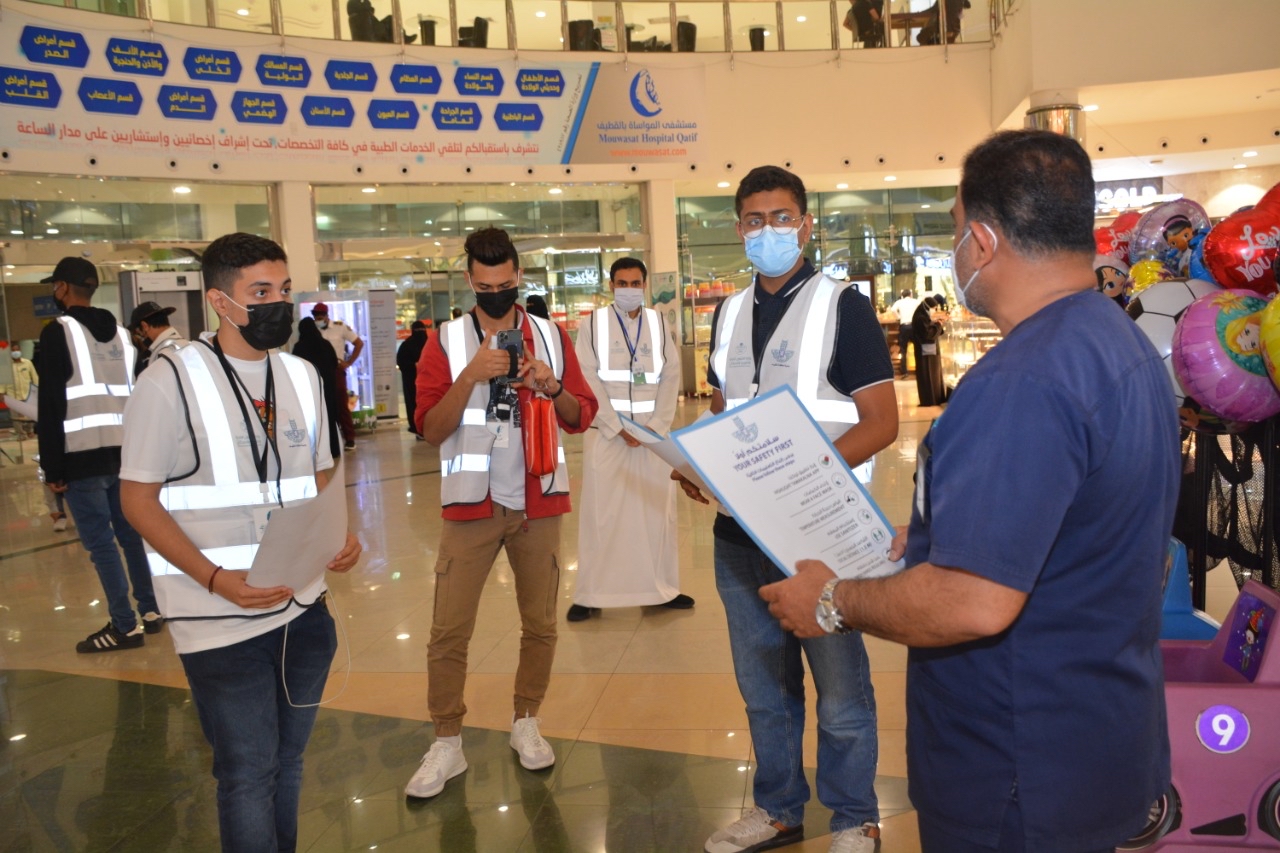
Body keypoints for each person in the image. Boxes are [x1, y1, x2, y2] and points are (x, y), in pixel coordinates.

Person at [759, 130, 1179, 853]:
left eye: (955, 230)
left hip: (1015, 769)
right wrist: (932, 539)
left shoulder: (1021, 381)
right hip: (1097, 736)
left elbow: (974, 601)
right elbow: (1077, 527)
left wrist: (831, 600)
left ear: (982, 242)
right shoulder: (1118, 342)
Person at [119, 231, 362, 853]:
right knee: (248, 775)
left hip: (302, 609)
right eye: (260, 293)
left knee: (289, 763)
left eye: (284, 290)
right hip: (219, 621)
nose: (277, 304)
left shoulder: (301, 375)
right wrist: (214, 578)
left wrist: (340, 535)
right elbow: (137, 500)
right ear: (220, 301)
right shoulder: (169, 381)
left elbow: (321, 474)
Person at [690, 166, 898, 853]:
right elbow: (724, 406)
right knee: (763, 688)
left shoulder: (843, 307)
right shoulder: (727, 313)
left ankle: (854, 817)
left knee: (840, 690)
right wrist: (701, 462)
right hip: (738, 533)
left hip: (815, 534)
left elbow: (882, 421)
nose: (769, 231)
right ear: (739, 229)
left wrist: (799, 474)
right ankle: (778, 807)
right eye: (755, 220)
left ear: (806, 225)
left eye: (782, 217)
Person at [406, 227, 597, 800]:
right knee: (449, 629)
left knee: (540, 623)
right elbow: (429, 428)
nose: (495, 294)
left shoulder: (550, 335)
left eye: (505, 284)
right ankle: (447, 739)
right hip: (471, 503)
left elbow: (580, 416)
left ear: (518, 277)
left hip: (539, 499)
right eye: (485, 286)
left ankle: (526, 720)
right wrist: (470, 375)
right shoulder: (444, 342)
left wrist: (552, 385)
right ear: (469, 280)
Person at [37, 256, 163, 653]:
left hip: (81, 457)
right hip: (125, 456)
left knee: (101, 545)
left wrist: (53, 469)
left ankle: (124, 626)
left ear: (62, 288)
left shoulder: (59, 332)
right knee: (130, 536)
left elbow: (51, 405)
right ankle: (150, 610)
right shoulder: (124, 336)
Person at [569, 258, 688, 622]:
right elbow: (586, 377)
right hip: (608, 436)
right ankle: (591, 594)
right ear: (611, 285)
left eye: (635, 283)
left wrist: (654, 426)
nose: (629, 289)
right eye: (622, 283)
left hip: (651, 438)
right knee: (601, 515)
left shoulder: (658, 322)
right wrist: (616, 425)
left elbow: (671, 375)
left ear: (645, 285)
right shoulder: (593, 324)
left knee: (656, 514)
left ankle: (662, 590)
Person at [311, 302, 362, 451]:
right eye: (315, 316)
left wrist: (349, 362)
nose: (318, 319)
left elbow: (359, 343)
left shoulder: (340, 327)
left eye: (320, 316)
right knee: (323, 404)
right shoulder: (312, 330)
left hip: (336, 369)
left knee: (341, 403)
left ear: (327, 316)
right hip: (319, 370)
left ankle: (350, 438)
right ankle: (328, 439)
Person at [292, 316, 343, 459]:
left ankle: (318, 451)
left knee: (314, 420)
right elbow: (334, 363)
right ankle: (334, 449)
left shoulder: (300, 347)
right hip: (328, 387)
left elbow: (295, 367)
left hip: (310, 389)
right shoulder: (325, 344)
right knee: (330, 416)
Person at [128, 301, 186, 375]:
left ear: (144, 326)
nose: (141, 337)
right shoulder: (185, 344)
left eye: (139, 333)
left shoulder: (162, 353)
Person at [911, 294, 948, 406]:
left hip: (930, 351)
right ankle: (929, 400)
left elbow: (933, 330)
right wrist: (938, 324)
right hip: (925, 352)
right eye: (933, 308)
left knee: (934, 375)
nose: (934, 310)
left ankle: (936, 398)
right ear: (927, 307)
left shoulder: (924, 315)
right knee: (927, 376)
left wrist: (938, 324)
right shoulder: (920, 317)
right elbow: (928, 334)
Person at [396, 320, 429, 439]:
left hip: (424, 382)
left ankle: (425, 427)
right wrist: (414, 365)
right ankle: (418, 428)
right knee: (415, 404)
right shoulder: (408, 345)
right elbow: (401, 362)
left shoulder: (429, 343)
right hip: (413, 381)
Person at [888, 289, 919, 377]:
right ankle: (918, 369)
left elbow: (893, 310)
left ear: (902, 295)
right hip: (913, 326)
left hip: (904, 326)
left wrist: (899, 317)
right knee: (917, 348)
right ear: (911, 294)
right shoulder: (915, 301)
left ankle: (904, 372)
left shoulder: (899, 302)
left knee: (903, 349)